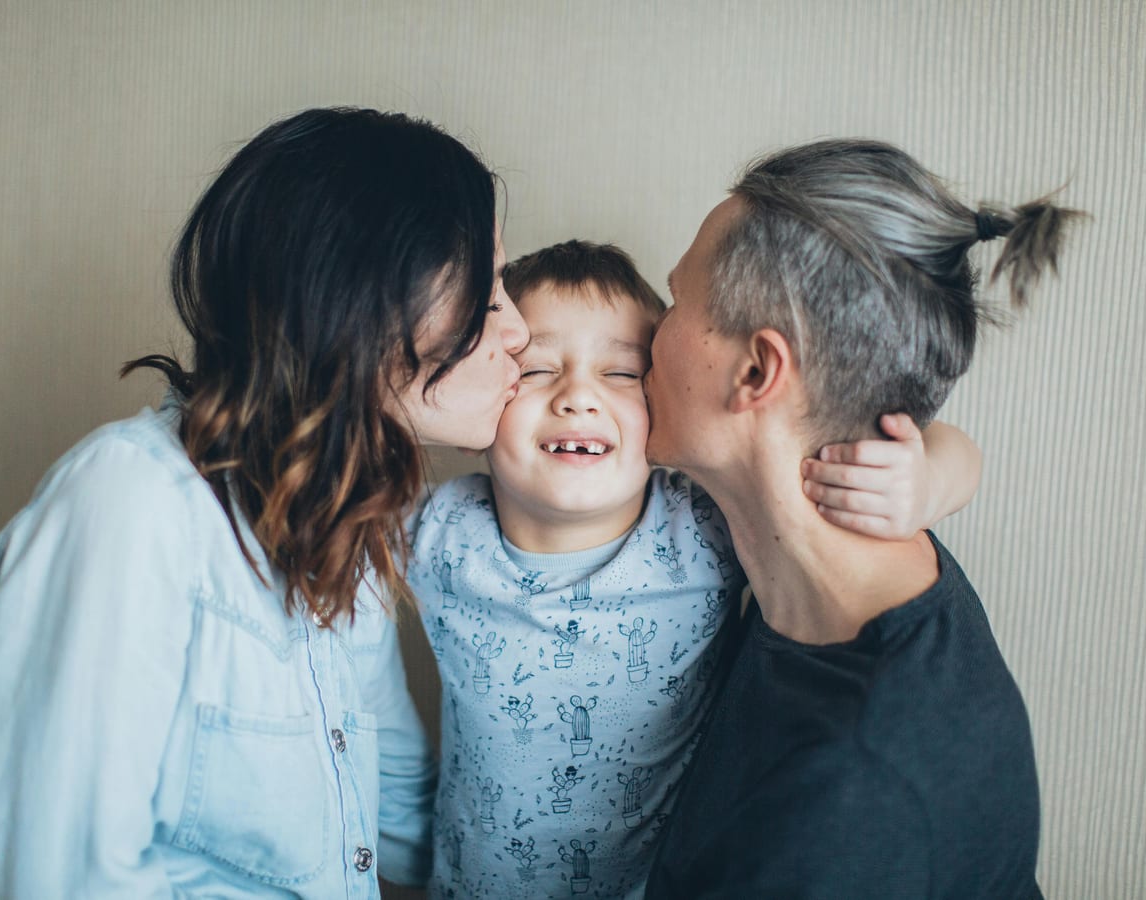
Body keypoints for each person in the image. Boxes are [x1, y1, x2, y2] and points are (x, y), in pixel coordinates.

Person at [0, 107, 530, 898]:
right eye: (489, 292)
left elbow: (407, 830)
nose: (520, 331)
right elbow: (57, 881)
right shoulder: (129, 507)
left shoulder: (348, 541)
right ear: (367, 294)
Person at [407, 240, 982, 899]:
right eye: (536, 371)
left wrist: (925, 479)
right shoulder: (437, 531)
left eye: (622, 373)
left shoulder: (702, 525)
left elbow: (950, 446)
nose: (577, 397)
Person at [644, 139, 1084, 898]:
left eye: (676, 300)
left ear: (756, 371)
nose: (649, 326)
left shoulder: (848, 799)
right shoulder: (862, 562)